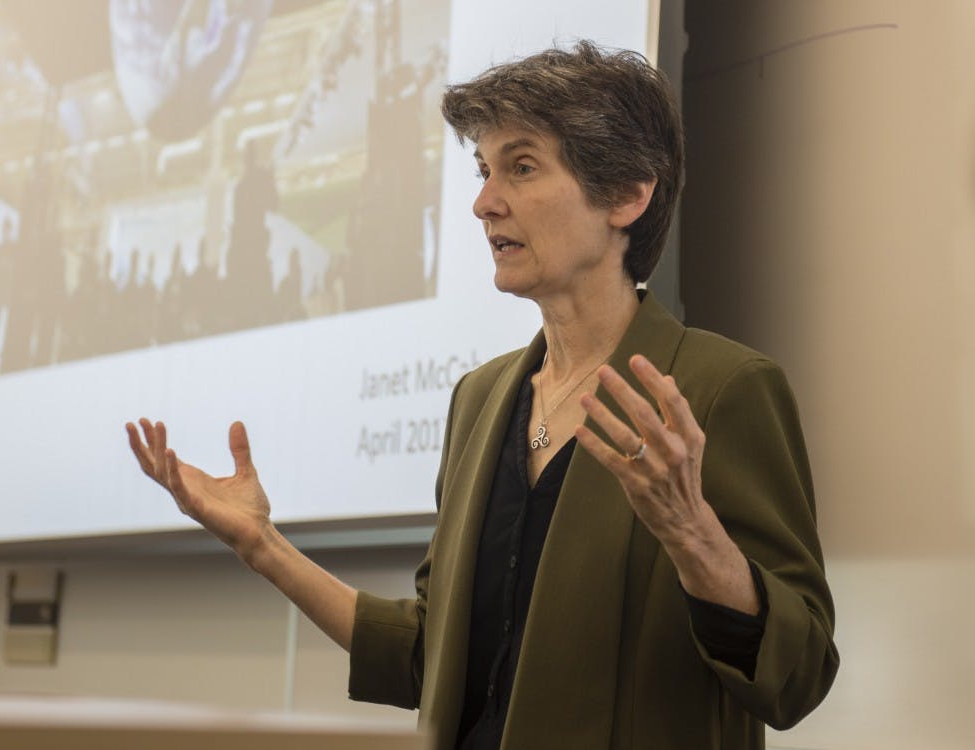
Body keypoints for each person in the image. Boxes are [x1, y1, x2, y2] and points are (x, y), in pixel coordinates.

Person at [126, 41, 838, 750]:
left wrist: (695, 539)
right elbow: (428, 658)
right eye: (484, 171)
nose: (483, 203)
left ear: (628, 193)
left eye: (521, 169)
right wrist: (263, 547)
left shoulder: (723, 390)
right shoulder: (481, 398)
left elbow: (798, 675)